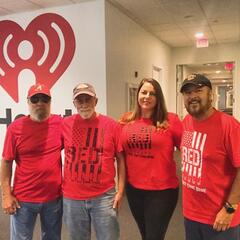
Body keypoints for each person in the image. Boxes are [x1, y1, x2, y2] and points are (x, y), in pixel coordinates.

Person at [119, 78, 182, 240]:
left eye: (152, 93)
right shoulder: (125, 120)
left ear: (158, 97)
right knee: (145, 233)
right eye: (143, 92)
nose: (147, 96)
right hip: (134, 189)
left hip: (162, 191)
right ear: (138, 94)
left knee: (154, 236)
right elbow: (117, 152)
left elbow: (188, 149)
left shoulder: (171, 120)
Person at [180, 73, 240, 240]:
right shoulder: (187, 122)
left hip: (220, 218)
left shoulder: (229, 126)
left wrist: (230, 208)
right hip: (191, 215)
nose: (192, 96)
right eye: (187, 93)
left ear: (211, 95)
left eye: (198, 91)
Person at [62, 83, 125, 240]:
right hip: (72, 198)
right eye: (79, 100)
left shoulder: (111, 125)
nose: (84, 104)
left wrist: (121, 191)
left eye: (88, 99)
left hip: (103, 197)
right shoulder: (65, 124)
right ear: (74, 103)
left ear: (96, 101)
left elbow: (121, 160)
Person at [1, 83, 63, 240]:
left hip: (53, 199)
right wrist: (6, 195)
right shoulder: (15, 128)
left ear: (50, 102)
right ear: (28, 102)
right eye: (35, 99)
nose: (40, 103)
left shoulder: (61, 124)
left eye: (45, 99)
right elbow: (6, 162)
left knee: (52, 237)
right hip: (23, 199)